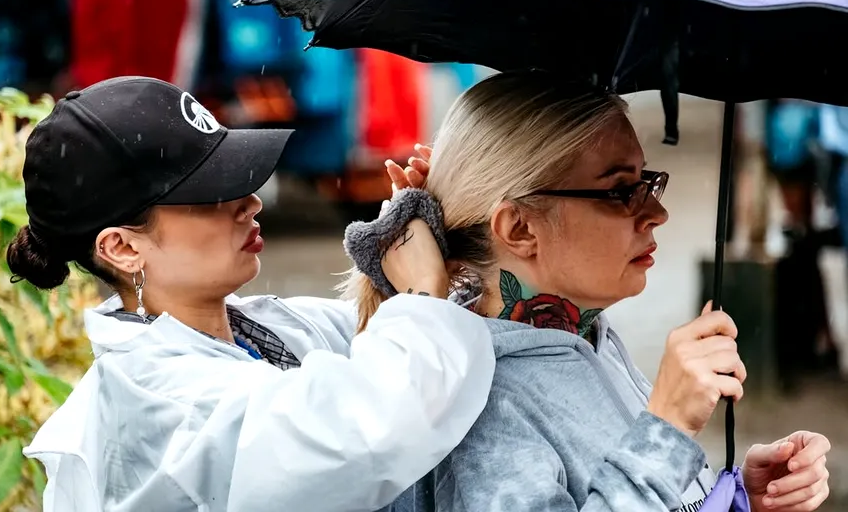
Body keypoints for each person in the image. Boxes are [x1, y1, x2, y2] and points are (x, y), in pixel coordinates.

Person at [9, 76, 496, 512]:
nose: (251, 202)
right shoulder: (162, 402)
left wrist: (442, 240)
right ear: (122, 248)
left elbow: (400, 348)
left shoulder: (256, 326)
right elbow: (370, 432)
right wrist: (420, 293)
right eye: (212, 193)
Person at [353, 71, 832, 511]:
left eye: (647, 182)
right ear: (519, 228)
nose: (657, 214)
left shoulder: (586, 334)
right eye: (621, 191)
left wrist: (731, 497)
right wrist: (667, 429)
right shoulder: (482, 402)